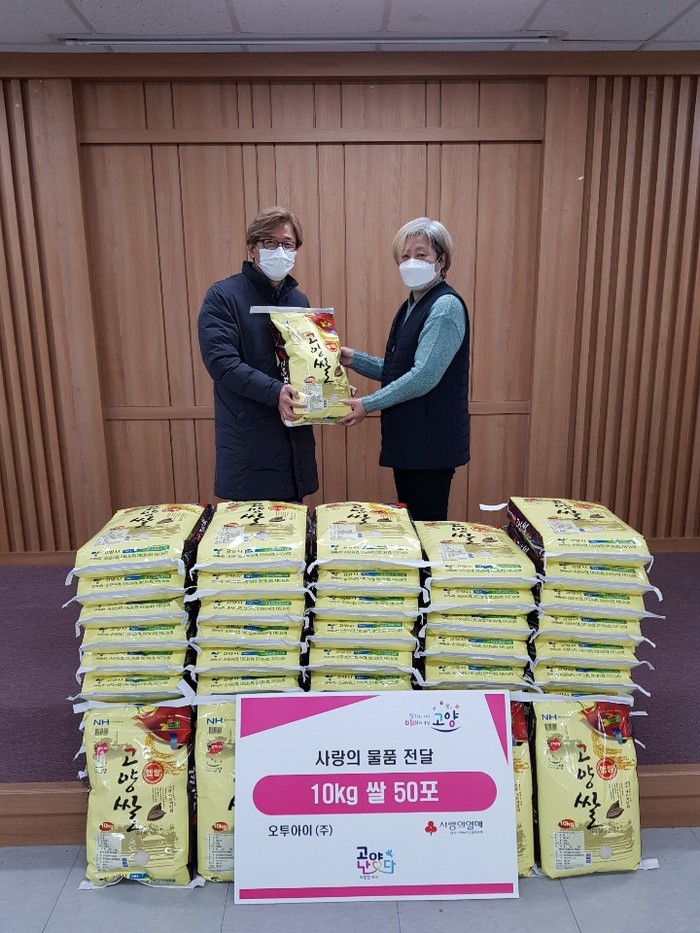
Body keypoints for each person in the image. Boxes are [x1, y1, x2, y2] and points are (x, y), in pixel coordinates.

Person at [339, 217, 470, 521]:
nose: (411, 262)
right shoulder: (412, 304)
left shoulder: (445, 307)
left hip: (430, 445)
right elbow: (399, 371)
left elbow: (424, 376)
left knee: (425, 527)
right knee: (413, 524)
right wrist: (354, 359)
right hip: (413, 442)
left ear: (441, 261)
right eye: (405, 255)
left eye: (421, 254)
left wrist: (367, 403)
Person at [198, 206, 318, 502]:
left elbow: (306, 361)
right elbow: (222, 363)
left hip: (294, 443)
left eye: (288, 244)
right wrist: (276, 392)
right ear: (252, 248)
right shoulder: (223, 296)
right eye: (269, 243)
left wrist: (330, 387)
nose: (280, 251)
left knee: (293, 525)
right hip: (248, 444)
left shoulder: (298, 300)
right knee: (253, 529)